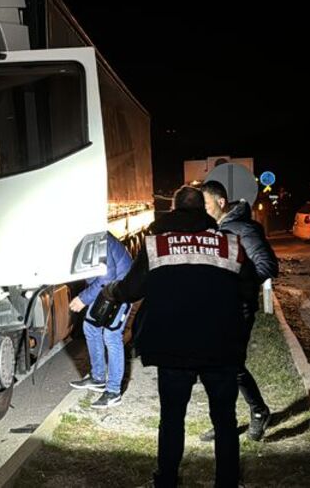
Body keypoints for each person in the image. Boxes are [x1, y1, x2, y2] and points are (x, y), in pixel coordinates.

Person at [103, 186, 245, 488]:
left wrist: (111, 291)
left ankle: (166, 479)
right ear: (203, 211)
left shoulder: (157, 244)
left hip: (173, 347)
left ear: (173, 210)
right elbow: (247, 288)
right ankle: (227, 482)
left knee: (172, 418)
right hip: (220, 345)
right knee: (224, 419)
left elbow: (132, 290)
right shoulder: (229, 243)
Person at [202, 181, 279, 441]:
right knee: (218, 366)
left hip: (239, 308)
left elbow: (267, 265)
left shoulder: (244, 229)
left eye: (206, 205)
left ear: (221, 202)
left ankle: (258, 411)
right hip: (217, 309)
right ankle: (226, 420)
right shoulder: (213, 229)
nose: (203, 210)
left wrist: (236, 288)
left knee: (229, 365)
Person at [68, 232, 133, 409]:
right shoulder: (87, 234)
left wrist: (83, 298)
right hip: (108, 288)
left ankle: (113, 392)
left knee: (111, 335)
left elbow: (107, 277)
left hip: (121, 288)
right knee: (90, 327)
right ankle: (98, 378)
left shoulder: (95, 237)